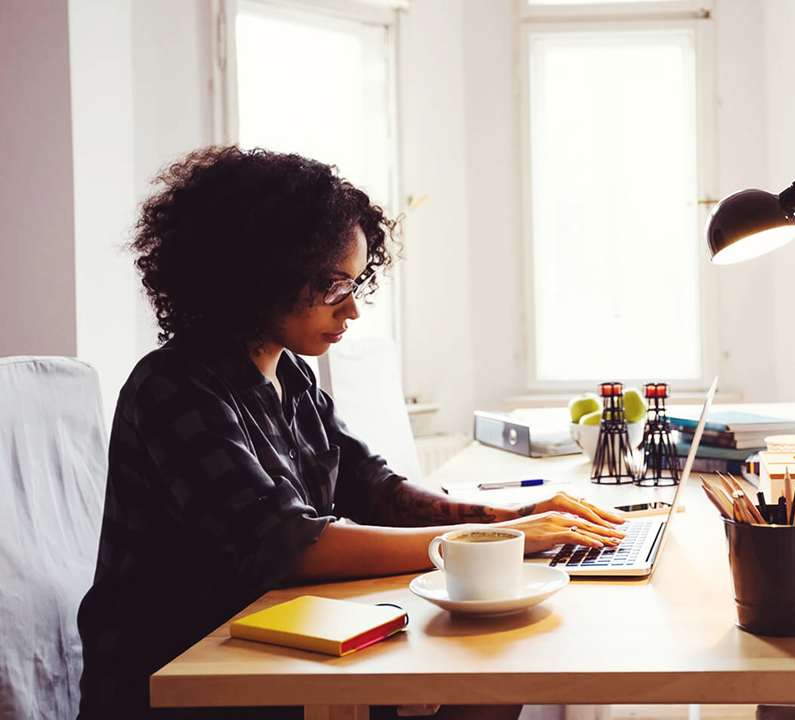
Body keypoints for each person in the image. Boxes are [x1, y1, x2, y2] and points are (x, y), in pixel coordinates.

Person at [77, 146, 625, 719]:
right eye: (335, 287)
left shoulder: (290, 375)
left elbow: (375, 490)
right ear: (260, 276)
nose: (353, 311)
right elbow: (288, 546)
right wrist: (489, 545)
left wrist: (511, 521)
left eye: (355, 284)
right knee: (486, 679)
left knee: (493, 674)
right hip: (187, 683)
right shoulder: (174, 388)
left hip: (277, 650)